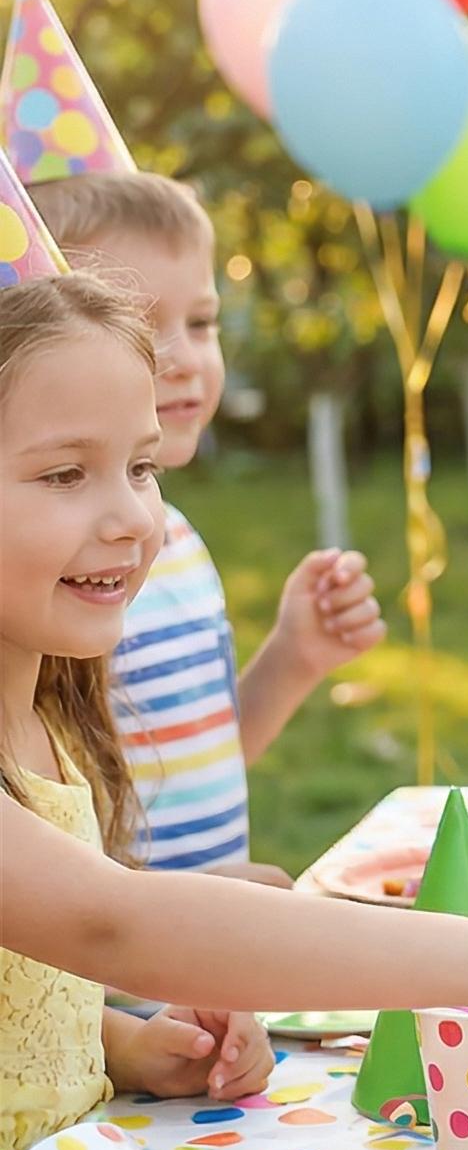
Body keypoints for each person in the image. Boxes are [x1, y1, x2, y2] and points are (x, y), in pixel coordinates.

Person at [0, 273, 468, 1150]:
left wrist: (123, 1044)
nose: (134, 518)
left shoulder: (53, 723)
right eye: (65, 474)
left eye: (143, 468)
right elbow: (112, 924)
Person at [32, 172, 384, 879]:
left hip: (190, 945)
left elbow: (201, 760)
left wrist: (292, 659)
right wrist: (191, 911)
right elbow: (52, 830)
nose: (184, 359)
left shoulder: (177, 544)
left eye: (201, 323)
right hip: (124, 950)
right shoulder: (59, 576)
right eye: (139, 325)